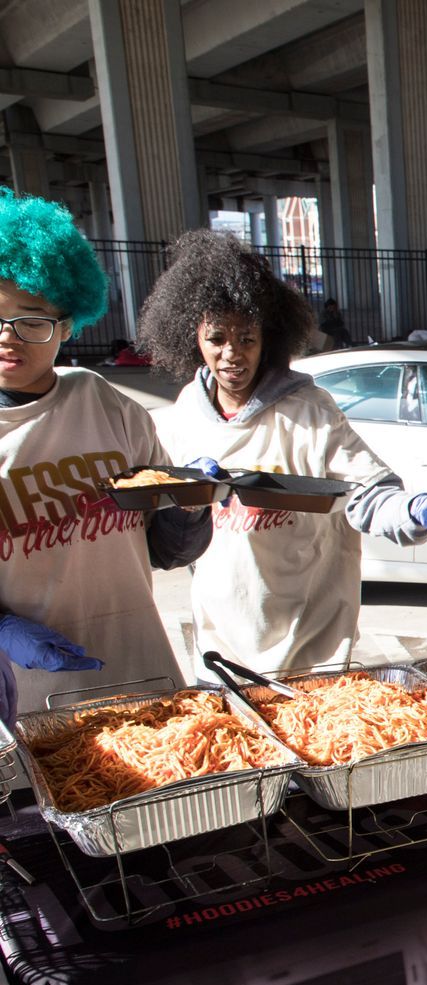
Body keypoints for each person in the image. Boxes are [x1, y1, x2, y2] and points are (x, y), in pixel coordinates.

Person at [141, 230, 427, 673]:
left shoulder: (307, 409)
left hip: (310, 648)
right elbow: (169, 538)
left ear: (269, 339)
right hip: (220, 647)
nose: (231, 354)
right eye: (217, 338)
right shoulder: (186, 413)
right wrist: (186, 503)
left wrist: (413, 512)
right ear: (193, 338)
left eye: (247, 339)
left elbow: (365, 492)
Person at [0, 189, 210, 725]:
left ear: (67, 325)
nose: (9, 337)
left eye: (33, 319)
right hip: (28, 698)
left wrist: (190, 507)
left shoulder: (108, 407)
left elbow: (166, 552)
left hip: (141, 673)